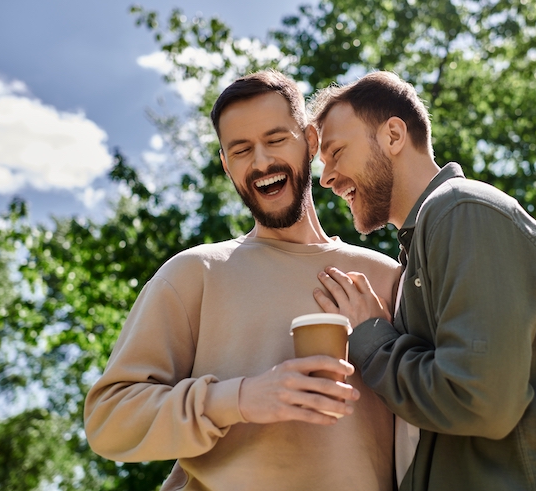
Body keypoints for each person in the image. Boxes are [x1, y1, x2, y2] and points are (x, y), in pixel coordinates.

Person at [84, 70, 400, 491]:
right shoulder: (195, 274)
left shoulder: (389, 279)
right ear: (226, 165)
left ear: (309, 142)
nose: (261, 162)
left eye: (275, 140)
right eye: (241, 149)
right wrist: (240, 399)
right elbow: (110, 422)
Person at [309, 71, 536, 490]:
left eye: (336, 152)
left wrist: (372, 340)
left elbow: (479, 401)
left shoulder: (462, 210)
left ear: (394, 135)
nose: (325, 178)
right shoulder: (425, 242)